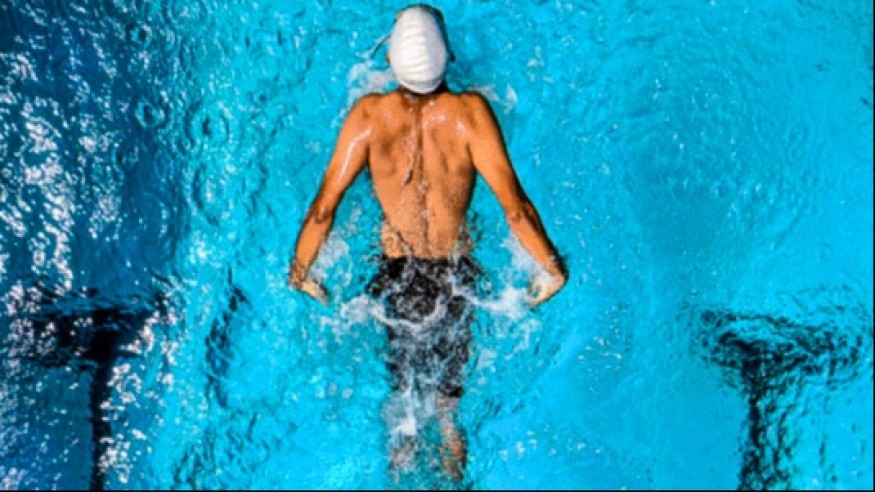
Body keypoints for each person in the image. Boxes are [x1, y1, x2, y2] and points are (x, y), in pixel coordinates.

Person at [287, 3, 567, 481]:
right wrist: (552, 268)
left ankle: (398, 478)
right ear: (447, 56)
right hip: (455, 278)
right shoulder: (470, 114)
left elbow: (322, 210)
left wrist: (301, 272)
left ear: (391, 59)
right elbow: (516, 210)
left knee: (405, 409)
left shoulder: (369, 115)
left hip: (397, 277)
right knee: (447, 411)